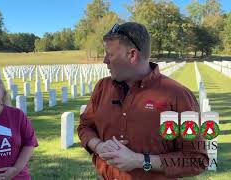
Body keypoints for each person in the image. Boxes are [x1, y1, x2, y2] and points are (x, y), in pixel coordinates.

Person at [77, 22, 209, 180]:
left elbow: (196, 160)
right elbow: (85, 126)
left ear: (132, 55)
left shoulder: (178, 96)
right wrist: (99, 146)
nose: (105, 60)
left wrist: (142, 161)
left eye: (109, 54)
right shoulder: (102, 88)